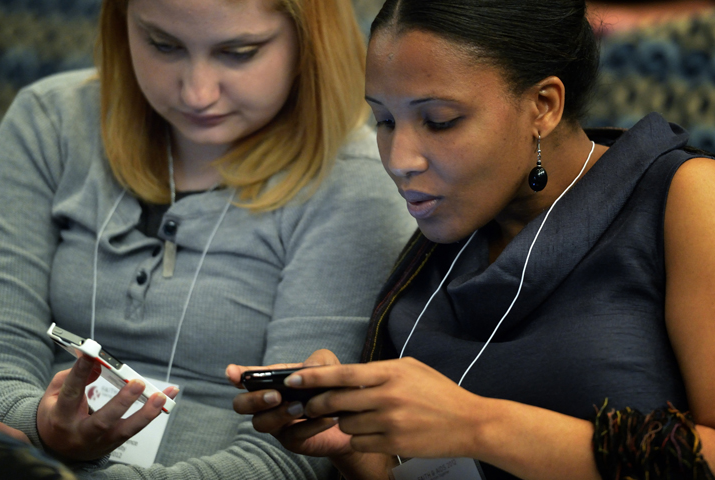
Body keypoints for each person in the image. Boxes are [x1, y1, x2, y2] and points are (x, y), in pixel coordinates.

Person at [228, 1, 715, 479]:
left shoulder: (687, 197)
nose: (399, 159)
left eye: (439, 121)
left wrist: (477, 425)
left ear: (543, 106)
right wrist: (358, 452)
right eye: (384, 120)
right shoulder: (438, 238)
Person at [0, 0, 415, 478]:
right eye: (163, 45)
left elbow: (292, 451)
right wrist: (40, 428)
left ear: (310, 41)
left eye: (239, 52)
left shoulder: (358, 183)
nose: (197, 92)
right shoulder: (52, 121)